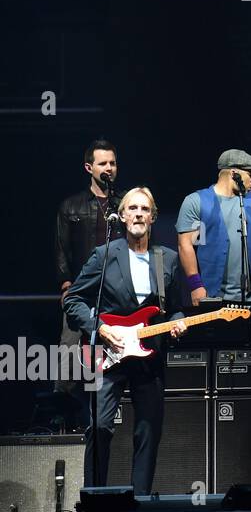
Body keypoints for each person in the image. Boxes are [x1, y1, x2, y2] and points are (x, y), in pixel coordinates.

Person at [63, 187, 187, 493]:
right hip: (108, 354)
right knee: (100, 426)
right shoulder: (105, 255)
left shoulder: (167, 259)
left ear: (153, 217)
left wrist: (176, 322)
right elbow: (74, 299)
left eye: (145, 209)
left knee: (148, 430)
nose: (138, 214)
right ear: (122, 215)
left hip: (150, 355)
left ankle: (140, 501)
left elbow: (175, 307)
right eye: (132, 208)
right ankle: (94, 498)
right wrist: (101, 328)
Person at [54, 139, 121, 424]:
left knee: (109, 351)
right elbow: (61, 248)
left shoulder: (124, 203)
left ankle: (104, 413)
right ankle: (63, 415)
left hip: (115, 290)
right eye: (103, 163)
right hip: (82, 289)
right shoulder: (72, 205)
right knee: (70, 350)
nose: (109, 168)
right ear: (89, 167)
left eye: (113, 163)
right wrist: (66, 284)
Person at [176, 149, 251, 307]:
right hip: (210, 297)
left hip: (250, 298)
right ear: (234, 173)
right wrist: (195, 285)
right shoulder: (198, 202)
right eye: (250, 174)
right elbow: (186, 245)